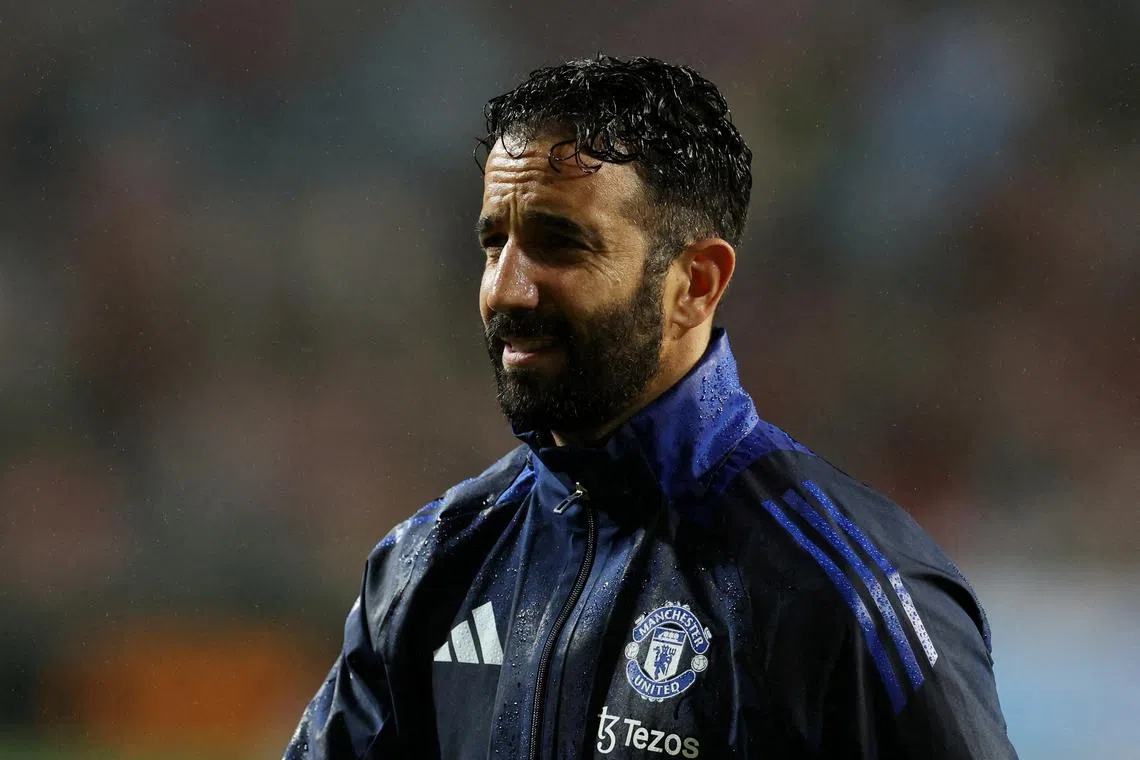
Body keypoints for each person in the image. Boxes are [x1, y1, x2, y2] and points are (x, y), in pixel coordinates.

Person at [285, 55, 1018, 759]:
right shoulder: (430, 570)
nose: (506, 290)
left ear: (695, 282)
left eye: (558, 245)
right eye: (493, 242)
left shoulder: (840, 595)